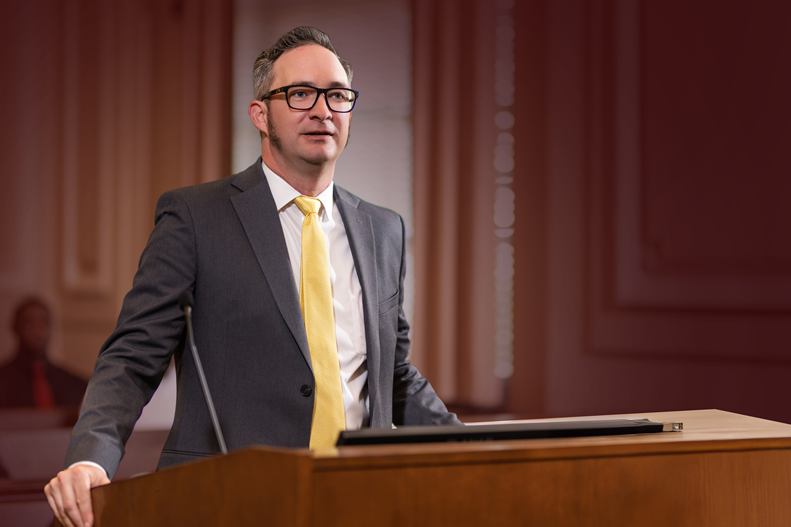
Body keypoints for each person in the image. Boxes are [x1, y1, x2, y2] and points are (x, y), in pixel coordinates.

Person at [45, 26, 460, 527]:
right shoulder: (195, 217)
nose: (322, 110)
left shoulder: (383, 228)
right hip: (228, 502)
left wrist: (481, 447)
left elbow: (392, 374)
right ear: (260, 114)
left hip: (357, 501)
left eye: (337, 96)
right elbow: (132, 358)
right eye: (300, 93)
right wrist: (90, 457)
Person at [0, 297, 88, 408]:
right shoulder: (3, 382)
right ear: (16, 327)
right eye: (30, 323)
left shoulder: (76, 386)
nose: (39, 331)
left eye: (44, 323)